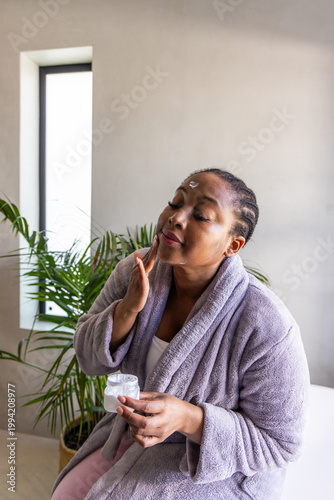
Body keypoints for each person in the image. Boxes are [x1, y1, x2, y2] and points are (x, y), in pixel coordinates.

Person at [51, 168, 309, 500]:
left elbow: (281, 444)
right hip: (135, 442)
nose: (176, 217)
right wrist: (127, 309)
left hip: (213, 470)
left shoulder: (266, 325)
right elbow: (88, 359)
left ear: (233, 244)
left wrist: (188, 418)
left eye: (201, 215)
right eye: (175, 203)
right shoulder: (134, 270)